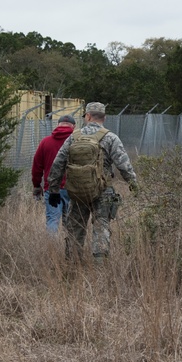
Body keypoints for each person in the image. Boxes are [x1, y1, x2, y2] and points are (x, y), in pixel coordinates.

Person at [48, 102, 139, 265]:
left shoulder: (73, 137)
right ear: (104, 118)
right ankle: (100, 266)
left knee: (75, 227)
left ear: (88, 116)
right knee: (101, 226)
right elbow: (123, 165)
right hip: (103, 190)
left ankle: (72, 264)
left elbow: (58, 164)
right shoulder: (110, 137)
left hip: (77, 191)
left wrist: (54, 190)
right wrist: (134, 184)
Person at [31, 114, 76, 234]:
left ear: (58, 125)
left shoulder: (45, 142)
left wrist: (36, 185)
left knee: (52, 220)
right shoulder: (78, 141)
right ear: (74, 127)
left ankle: (52, 249)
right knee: (72, 222)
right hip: (73, 188)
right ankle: (70, 250)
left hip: (52, 188)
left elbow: (37, 167)